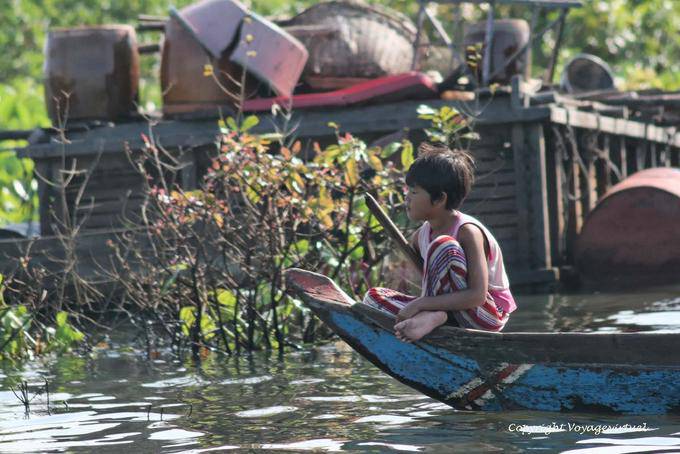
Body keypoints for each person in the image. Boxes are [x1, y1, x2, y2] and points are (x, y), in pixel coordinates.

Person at [363, 142, 516, 342]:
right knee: (372, 298)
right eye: (407, 191)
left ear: (439, 199)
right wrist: (418, 305)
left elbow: (477, 295)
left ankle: (434, 317)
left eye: (414, 192)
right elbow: (432, 287)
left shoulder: (467, 232)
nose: (406, 198)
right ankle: (434, 318)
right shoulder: (420, 237)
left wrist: (419, 305)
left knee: (444, 245)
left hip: (486, 314)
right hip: (446, 310)